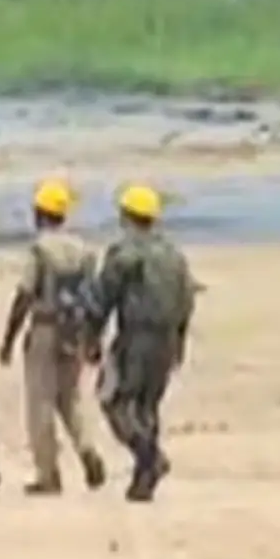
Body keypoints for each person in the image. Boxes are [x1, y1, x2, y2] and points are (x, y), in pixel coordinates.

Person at [0, 180, 106, 494]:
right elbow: (91, 296)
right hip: (74, 328)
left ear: (39, 213)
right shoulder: (85, 250)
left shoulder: (40, 249)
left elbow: (25, 294)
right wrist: (92, 338)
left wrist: (9, 338)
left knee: (40, 403)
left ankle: (48, 474)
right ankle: (87, 449)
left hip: (44, 327)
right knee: (70, 398)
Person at [90, 185, 197, 502]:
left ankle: (149, 457)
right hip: (166, 337)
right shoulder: (174, 256)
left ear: (125, 215)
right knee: (148, 408)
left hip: (136, 336)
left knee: (115, 401)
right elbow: (186, 301)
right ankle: (142, 479)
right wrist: (179, 341)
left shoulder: (125, 253)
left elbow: (103, 298)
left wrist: (92, 337)